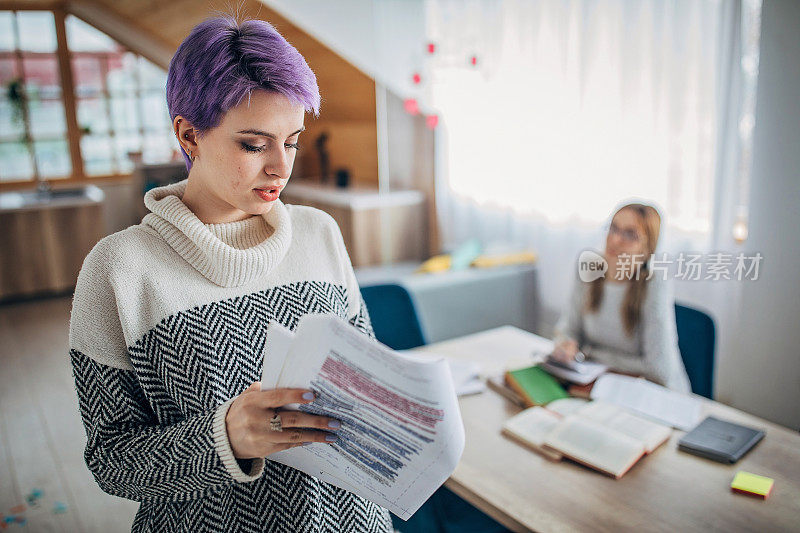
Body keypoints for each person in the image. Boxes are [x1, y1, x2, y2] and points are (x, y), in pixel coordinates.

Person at [68, 16, 392, 532]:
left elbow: (367, 380)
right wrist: (227, 437)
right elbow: (112, 459)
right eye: (253, 144)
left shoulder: (319, 233)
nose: (281, 168)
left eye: (291, 140)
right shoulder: (119, 270)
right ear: (189, 135)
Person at [552, 202, 691, 393]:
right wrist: (565, 344)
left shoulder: (654, 283)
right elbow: (569, 329)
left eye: (630, 235)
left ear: (647, 248)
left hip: (654, 393)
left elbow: (659, 370)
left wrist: (591, 354)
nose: (615, 240)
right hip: (599, 383)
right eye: (613, 228)